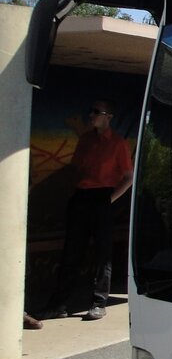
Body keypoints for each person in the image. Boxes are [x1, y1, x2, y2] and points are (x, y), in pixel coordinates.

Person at [33, 99, 133, 323]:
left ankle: (98, 303)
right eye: (91, 112)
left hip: (103, 196)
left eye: (96, 112)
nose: (91, 116)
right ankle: (59, 304)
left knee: (102, 253)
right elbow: (76, 168)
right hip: (81, 196)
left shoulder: (118, 144)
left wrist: (109, 200)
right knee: (72, 251)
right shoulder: (86, 140)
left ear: (108, 117)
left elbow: (128, 177)